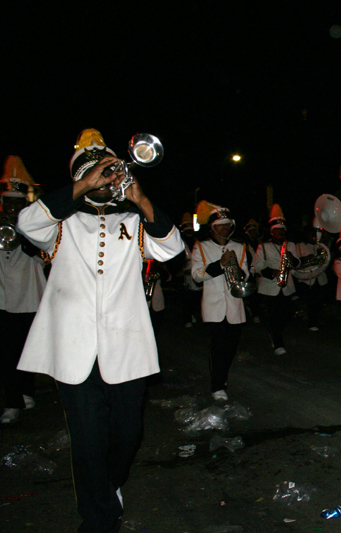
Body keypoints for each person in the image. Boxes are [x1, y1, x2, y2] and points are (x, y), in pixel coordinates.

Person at [16, 129, 184, 532]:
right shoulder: (60, 223)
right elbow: (26, 223)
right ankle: (99, 519)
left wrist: (141, 198)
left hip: (126, 348)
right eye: (98, 175)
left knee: (128, 435)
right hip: (73, 352)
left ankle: (110, 485)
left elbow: (172, 249)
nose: (106, 180)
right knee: (88, 444)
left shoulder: (133, 219)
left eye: (110, 173)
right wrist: (81, 186)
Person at [0, 157, 45, 425]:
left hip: (29, 297)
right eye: (8, 203)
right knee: (6, 352)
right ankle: (12, 402)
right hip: (3, 298)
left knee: (28, 349)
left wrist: (21, 229)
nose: (12, 207)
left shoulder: (34, 226)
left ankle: (26, 390)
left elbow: (41, 253)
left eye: (18, 203)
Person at [191, 201, 250, 401]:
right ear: (212, 227)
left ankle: (222, 378)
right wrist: (219, 265)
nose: (225, 228)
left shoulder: (240, 247)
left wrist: (238, 269)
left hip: (235, 305)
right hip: (213, 306)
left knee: (230, 347)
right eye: (221, 225)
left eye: (227, 224)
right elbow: (197, 275)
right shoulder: (201, 247)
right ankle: (218, 385)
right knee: (217, 347)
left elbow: (246, 274)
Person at [251, 204, 299, 355]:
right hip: (270, 286)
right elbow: (256, 266)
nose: (280, 232)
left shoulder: (290, 245)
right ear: (272, 232)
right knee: (274, 316)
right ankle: (277, 342)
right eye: (277, 229)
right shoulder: (264, 246)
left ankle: (275, 333)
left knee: (286, 315)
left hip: (287, 286)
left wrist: (292, 259)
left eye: (282, 229)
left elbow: (298, 265)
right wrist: (272, 271)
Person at [295, 224, 330, 332]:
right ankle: (311, 321)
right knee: (310, 301)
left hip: (320, 277)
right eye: (311, 234)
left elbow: (326, 258)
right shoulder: (299, 246)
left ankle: (315, 319)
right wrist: (306, 258)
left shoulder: (320, 245)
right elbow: (296, 262)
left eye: (315, 234)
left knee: (319, 301)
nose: (313, 236)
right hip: (307, 278)